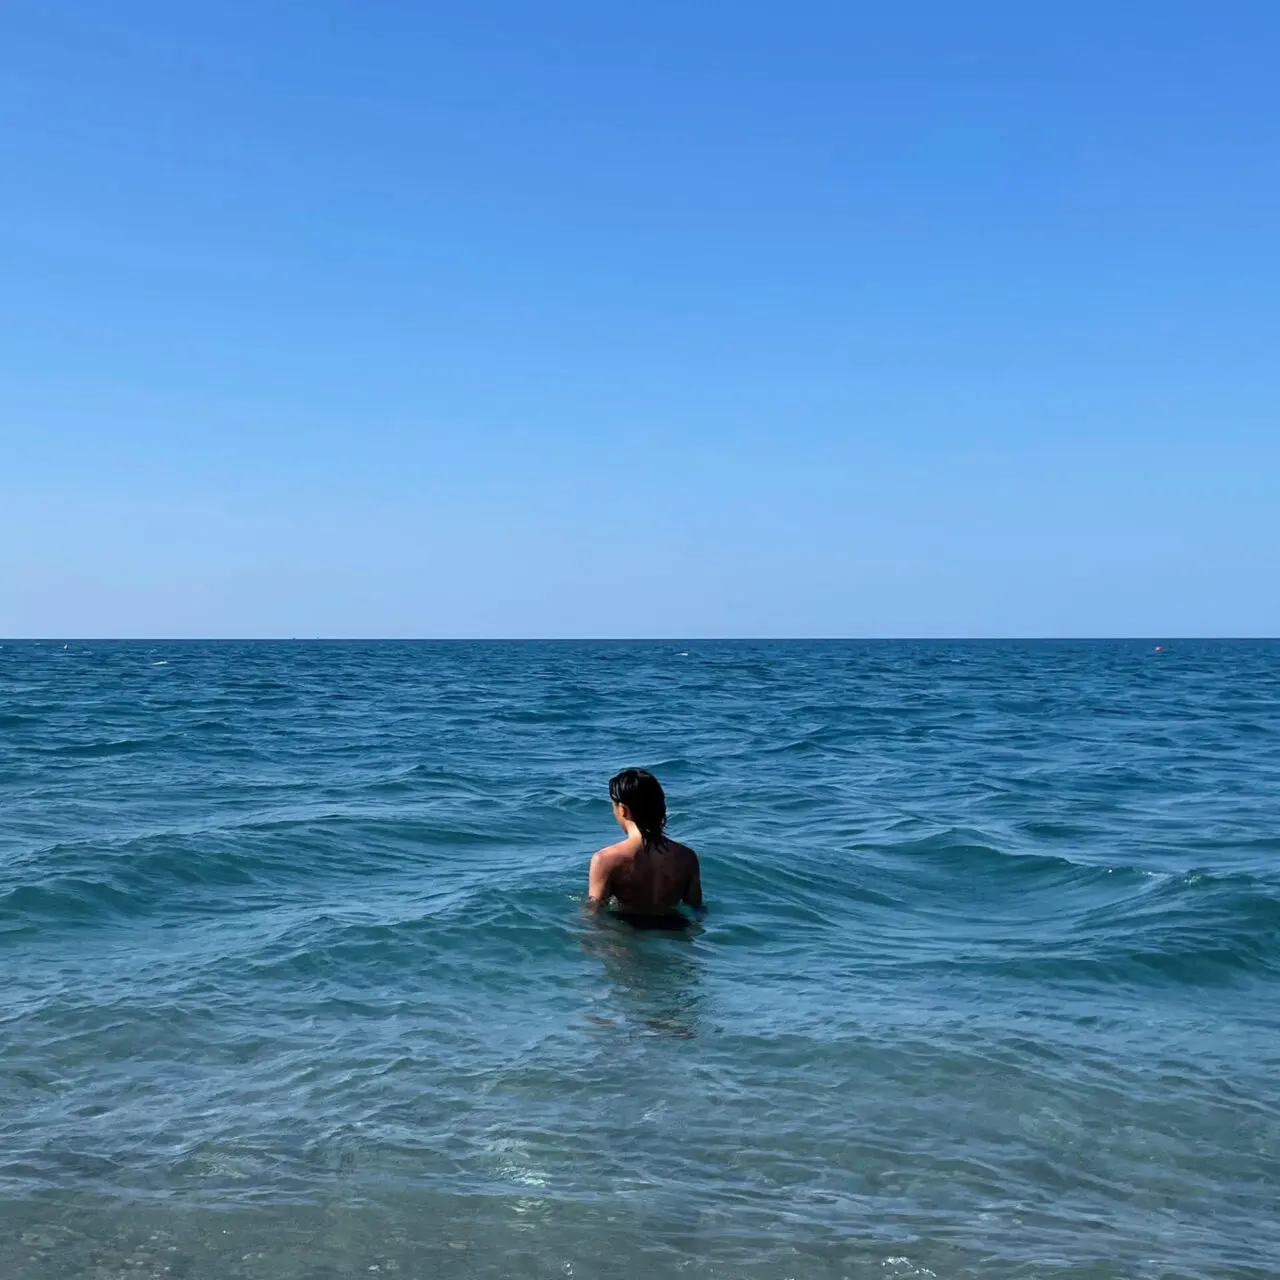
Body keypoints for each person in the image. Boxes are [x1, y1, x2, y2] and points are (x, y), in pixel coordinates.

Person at [587, 768, 702, 926]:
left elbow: (593, 914)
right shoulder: (687, 856)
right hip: (674, 930)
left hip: (627, 935)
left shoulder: (606, 859)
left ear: (622, 810)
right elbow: (696, 908)